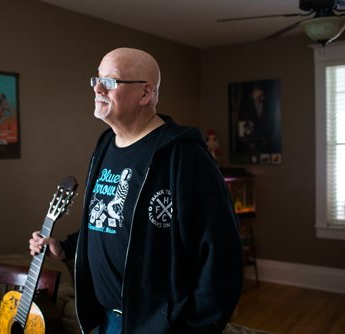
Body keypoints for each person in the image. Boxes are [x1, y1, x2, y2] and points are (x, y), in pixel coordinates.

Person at [30, 47, 243, 333]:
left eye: (111, 81)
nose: (98, 88)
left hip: (157, 326)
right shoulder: (105, 144)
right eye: (96, 79)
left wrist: (194, 328)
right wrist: (65, 246)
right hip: (102, 320)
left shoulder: (185, 157)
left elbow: (222, 254)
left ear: (145, 94)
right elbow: (108, 221)